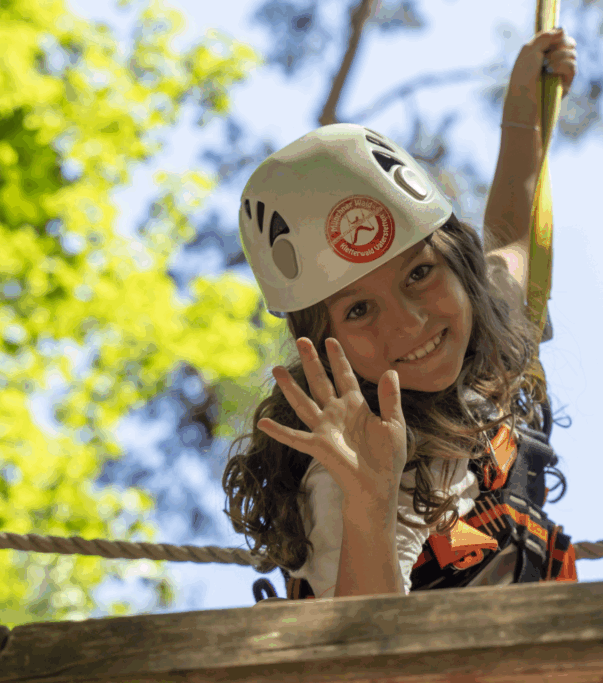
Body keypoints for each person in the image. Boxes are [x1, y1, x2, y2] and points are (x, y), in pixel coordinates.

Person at [223, 27, 579, 601]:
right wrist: (371, 497)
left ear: (461, 266)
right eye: (359, 308)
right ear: (322, 341)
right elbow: (365, 649)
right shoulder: (347, 473)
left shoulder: (483, 317)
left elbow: (515, 234)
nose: (409, 323)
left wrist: (522, 115)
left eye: (419, 273)